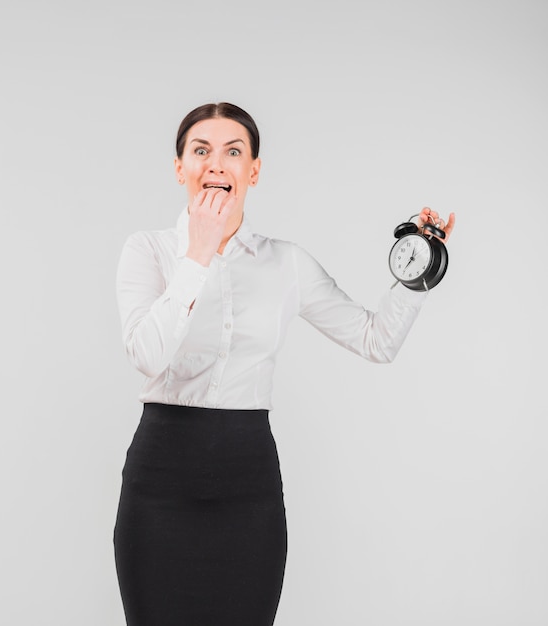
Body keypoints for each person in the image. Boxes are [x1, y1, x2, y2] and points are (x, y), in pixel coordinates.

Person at [113, 102, 455, 626]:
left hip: (247, 486)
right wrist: (198, 255)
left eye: (234, 151)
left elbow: (376, 341)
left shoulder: (286, 263)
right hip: (161, 481)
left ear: (254, 170)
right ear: (179, 167)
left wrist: (418, 271)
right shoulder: (149, 251)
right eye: (200, 150)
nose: (216, 164)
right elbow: (146, 355)